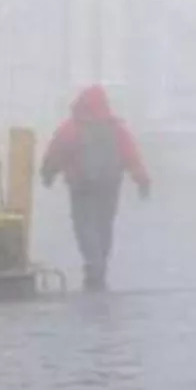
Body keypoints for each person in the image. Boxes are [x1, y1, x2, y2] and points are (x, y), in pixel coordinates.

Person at [40, 85, 151, 292]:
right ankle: (100, 263)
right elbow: (131, 156)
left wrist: (48, 174)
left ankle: (93, 264)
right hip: (110, 185)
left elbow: (56, 152)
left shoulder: (71, 128)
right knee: (104, 225)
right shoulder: (117, 129)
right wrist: (142, 181)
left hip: (81, 186)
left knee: (84, 225)